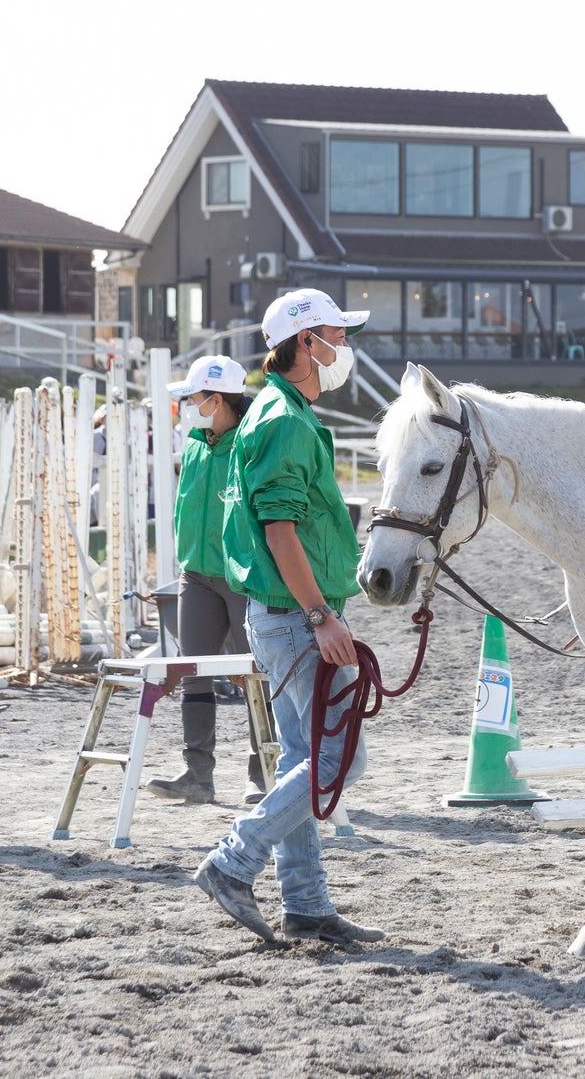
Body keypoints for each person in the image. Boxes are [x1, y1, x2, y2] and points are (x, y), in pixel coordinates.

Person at [194, 287, 384, 946]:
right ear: (308, 342)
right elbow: (281, 531)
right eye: (339, 334)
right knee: (338, 762)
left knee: (307, 762)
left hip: (284, 614)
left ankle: (305, 904)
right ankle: (234, 859)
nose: (347, 348)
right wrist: (322, 615)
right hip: (296, 617)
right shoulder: (284, 420)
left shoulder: (280, 411)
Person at [150, 353, 266, 806]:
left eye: (191, 397)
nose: (185, 406)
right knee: (192, 672)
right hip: (195, 575)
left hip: (243, 578)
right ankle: (198, 774)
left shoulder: (252, 443)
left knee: (258, 675)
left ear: (216, 400)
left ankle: (263, 773)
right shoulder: (198, 441)